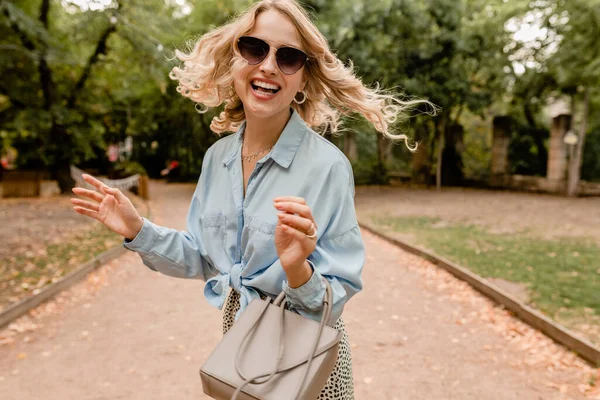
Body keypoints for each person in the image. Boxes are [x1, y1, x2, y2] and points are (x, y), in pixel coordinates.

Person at [71, 1, 430, 398]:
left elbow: (335, 294)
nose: (269, 65)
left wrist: (298, 270)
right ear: (235, 60)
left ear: (304, 80)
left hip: (306, 363)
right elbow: (202, 258)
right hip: (240, 350)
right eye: (255, 49)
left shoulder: (328, 167)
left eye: (289, 57)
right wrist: (138, 230)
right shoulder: (217, 159)